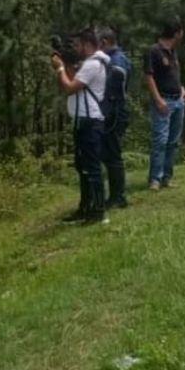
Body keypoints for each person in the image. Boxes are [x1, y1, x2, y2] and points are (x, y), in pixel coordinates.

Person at [51, 29, 107, 224]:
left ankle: (98, 211)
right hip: (83, 120)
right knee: (83, 166)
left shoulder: (92, 64)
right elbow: (74, 76)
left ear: (87, 44)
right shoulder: (89, 64)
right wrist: (65, 63)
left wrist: (59, 69)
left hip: (89, 121)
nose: (75, 49)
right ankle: (86, 208)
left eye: (77, 45)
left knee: (91, 168)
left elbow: (69, 87)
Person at [144, 18, 185, 190]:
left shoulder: (173, 51)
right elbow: (148, 76)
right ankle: (155, 178)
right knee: (160, 140)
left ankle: (167, 177)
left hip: (178, 100)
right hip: (163, 100)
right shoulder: (154, 51)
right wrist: (158, 99)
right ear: (176, 33)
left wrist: (182, 88)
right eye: (181, 31)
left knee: (173, 141)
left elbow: (173, 74)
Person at [98, 26, 132, 209]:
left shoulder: (117, 60)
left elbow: (116, 80)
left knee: (113, 154)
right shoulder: (109, 60)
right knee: (108, 154)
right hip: (109, 111)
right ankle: (114, 194)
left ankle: (118, 196)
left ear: (104, 42)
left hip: (114, 112)